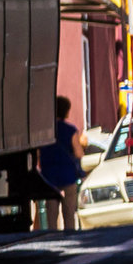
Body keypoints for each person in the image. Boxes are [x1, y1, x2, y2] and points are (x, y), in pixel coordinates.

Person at [37, 95, 86, 231]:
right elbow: (78, 153)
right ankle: (70, 236)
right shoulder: (71, 130)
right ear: (66, 111)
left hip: (49, 177)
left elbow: (38, 154)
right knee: (69, 212)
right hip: (68, 175)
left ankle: (52, 237)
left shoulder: (44, 132)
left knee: (51, 213)